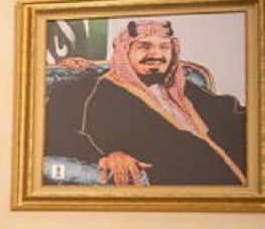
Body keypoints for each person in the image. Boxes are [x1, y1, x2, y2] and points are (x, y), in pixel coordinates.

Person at [58, 19, 246, 186]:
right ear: (124, 52)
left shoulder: (183, 88)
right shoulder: (94, 91)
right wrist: (107, 156)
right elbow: (57, 131)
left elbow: (230, 115)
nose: (156, 54)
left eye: (164, 47)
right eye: (144, 46)